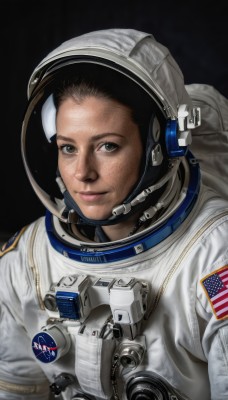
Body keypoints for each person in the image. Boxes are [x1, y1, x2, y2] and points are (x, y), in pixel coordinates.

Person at [0, 28, 228, 400]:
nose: (82, 173)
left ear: (160, 145)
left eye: (107, 146)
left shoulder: (214, 260)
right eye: (68, 148)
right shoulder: (28, 261)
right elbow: (15, 389)